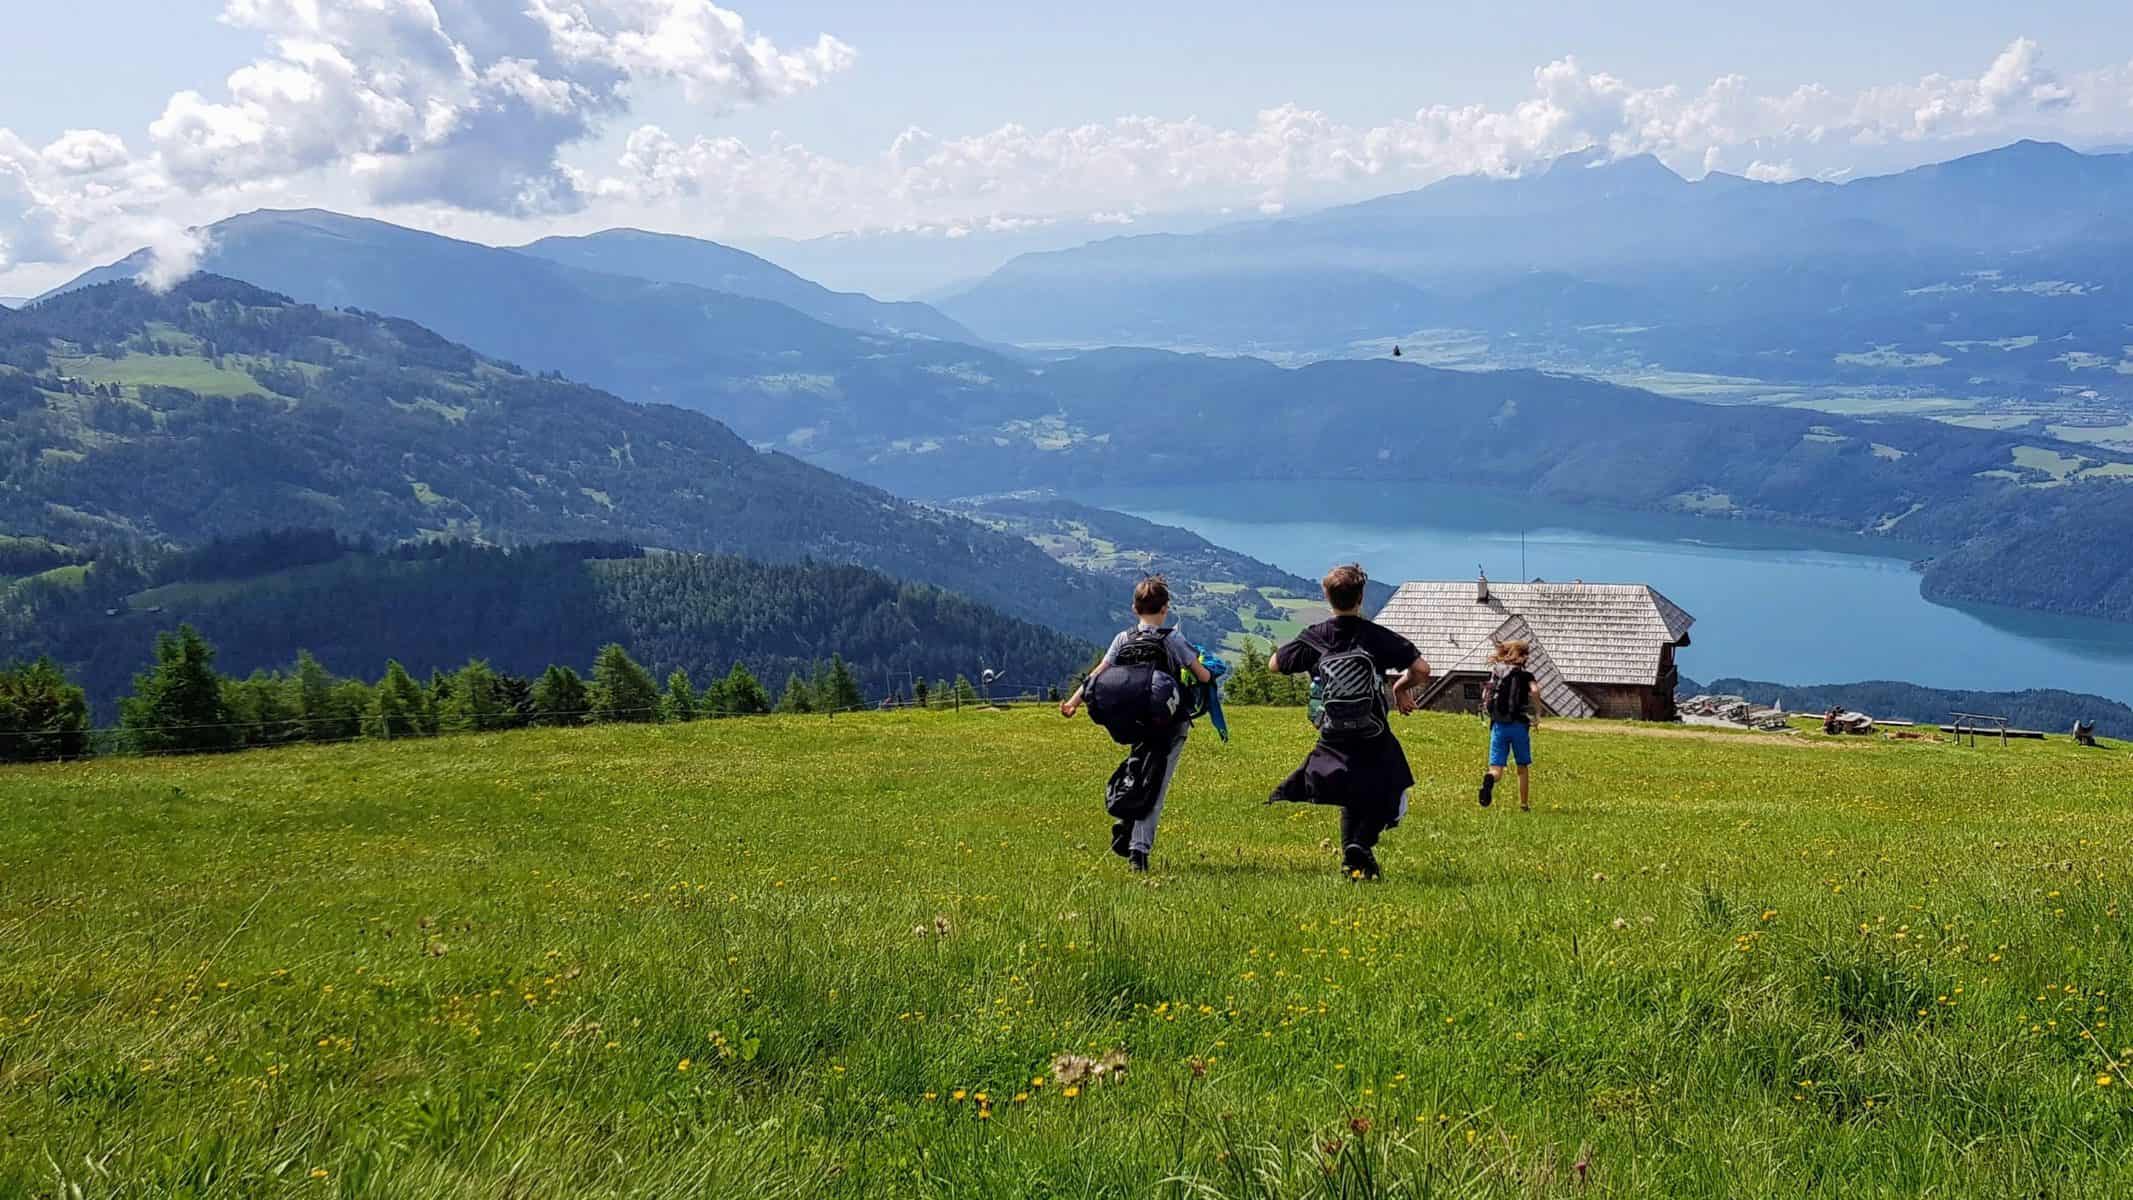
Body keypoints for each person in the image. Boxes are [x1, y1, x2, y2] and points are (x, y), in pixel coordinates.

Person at [1269, 564, 1432, 880]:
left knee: (1350, 794)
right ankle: (1360, 844)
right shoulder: (1375, 636)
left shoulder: (1315, 637)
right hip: (1373, 732)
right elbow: (1422, 669)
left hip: (1332, 733)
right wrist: (1400, 689)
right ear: (1361, 597)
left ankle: (1353, 861)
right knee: (1393, 788)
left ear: (1327, 596)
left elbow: (1275, 664)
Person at [1060, 576, 1214, 871]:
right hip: (1169, 724)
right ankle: (1138, 852)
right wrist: (1208, 670)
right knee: (1156, 783)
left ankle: (1125, 821)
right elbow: (1203, 675)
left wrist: (1073, 703)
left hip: (1136, 720)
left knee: (1138, 769)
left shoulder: (1123, 638)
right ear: (1165, 608)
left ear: (1135, 608)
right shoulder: (1172, 639)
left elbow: (1097, 674)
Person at [1479, 640, 1536, 811]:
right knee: (1522, 766)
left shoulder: (1496, 672)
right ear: (1522, 656)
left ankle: (1490, 779)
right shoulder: (1526, 676)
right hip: (1518, 725)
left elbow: (1485, 694)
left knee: (1496, 769)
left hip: (1498, 725)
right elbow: (1535, 691)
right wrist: (1537, 714)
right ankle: (1524, 804)